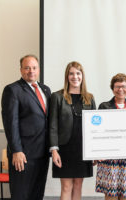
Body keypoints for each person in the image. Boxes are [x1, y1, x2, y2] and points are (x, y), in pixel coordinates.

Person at [1, 55, 51, 200]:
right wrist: (16, 150)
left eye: (34, 68)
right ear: (21, 70)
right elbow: (11, 123)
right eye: (27, 68)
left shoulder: (45, 90)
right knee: (21, 195)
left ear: (39, 70)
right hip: (23, 155)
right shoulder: (13, 90)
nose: (31, 71)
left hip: (42, 153)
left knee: (37, 194)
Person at [49, 61, 96, 200]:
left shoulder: (89, 98)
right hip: (64, 149)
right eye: (71, 73)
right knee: (66, 187)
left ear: (82, 76)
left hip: (83, 149)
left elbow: (95, 128)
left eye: (78, 73)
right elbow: (53, 125)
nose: (75, 77)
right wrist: (54, 150)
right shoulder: (57, 96)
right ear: (67, 76)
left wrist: (94, 151)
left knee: (78, 185)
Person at [95, 73, 126, 200]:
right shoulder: (104, 106)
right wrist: (95, 153)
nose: (120, 89)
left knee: (125, 194)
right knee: (111, 194)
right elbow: (97, 133)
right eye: (117, 86)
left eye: (124, 86)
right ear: (112, 88)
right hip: (110, 157)